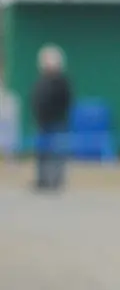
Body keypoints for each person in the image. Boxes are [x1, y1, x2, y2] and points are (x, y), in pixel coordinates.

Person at [30, 45, 73, 192]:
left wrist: (57, 115)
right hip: (43, 122)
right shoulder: (42, 81)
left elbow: (66, 101)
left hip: (57, 122)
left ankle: (55, 181)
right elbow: (36, 100)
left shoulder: (62, 82)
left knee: (57, 152)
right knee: (42, 153)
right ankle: (42, 180)